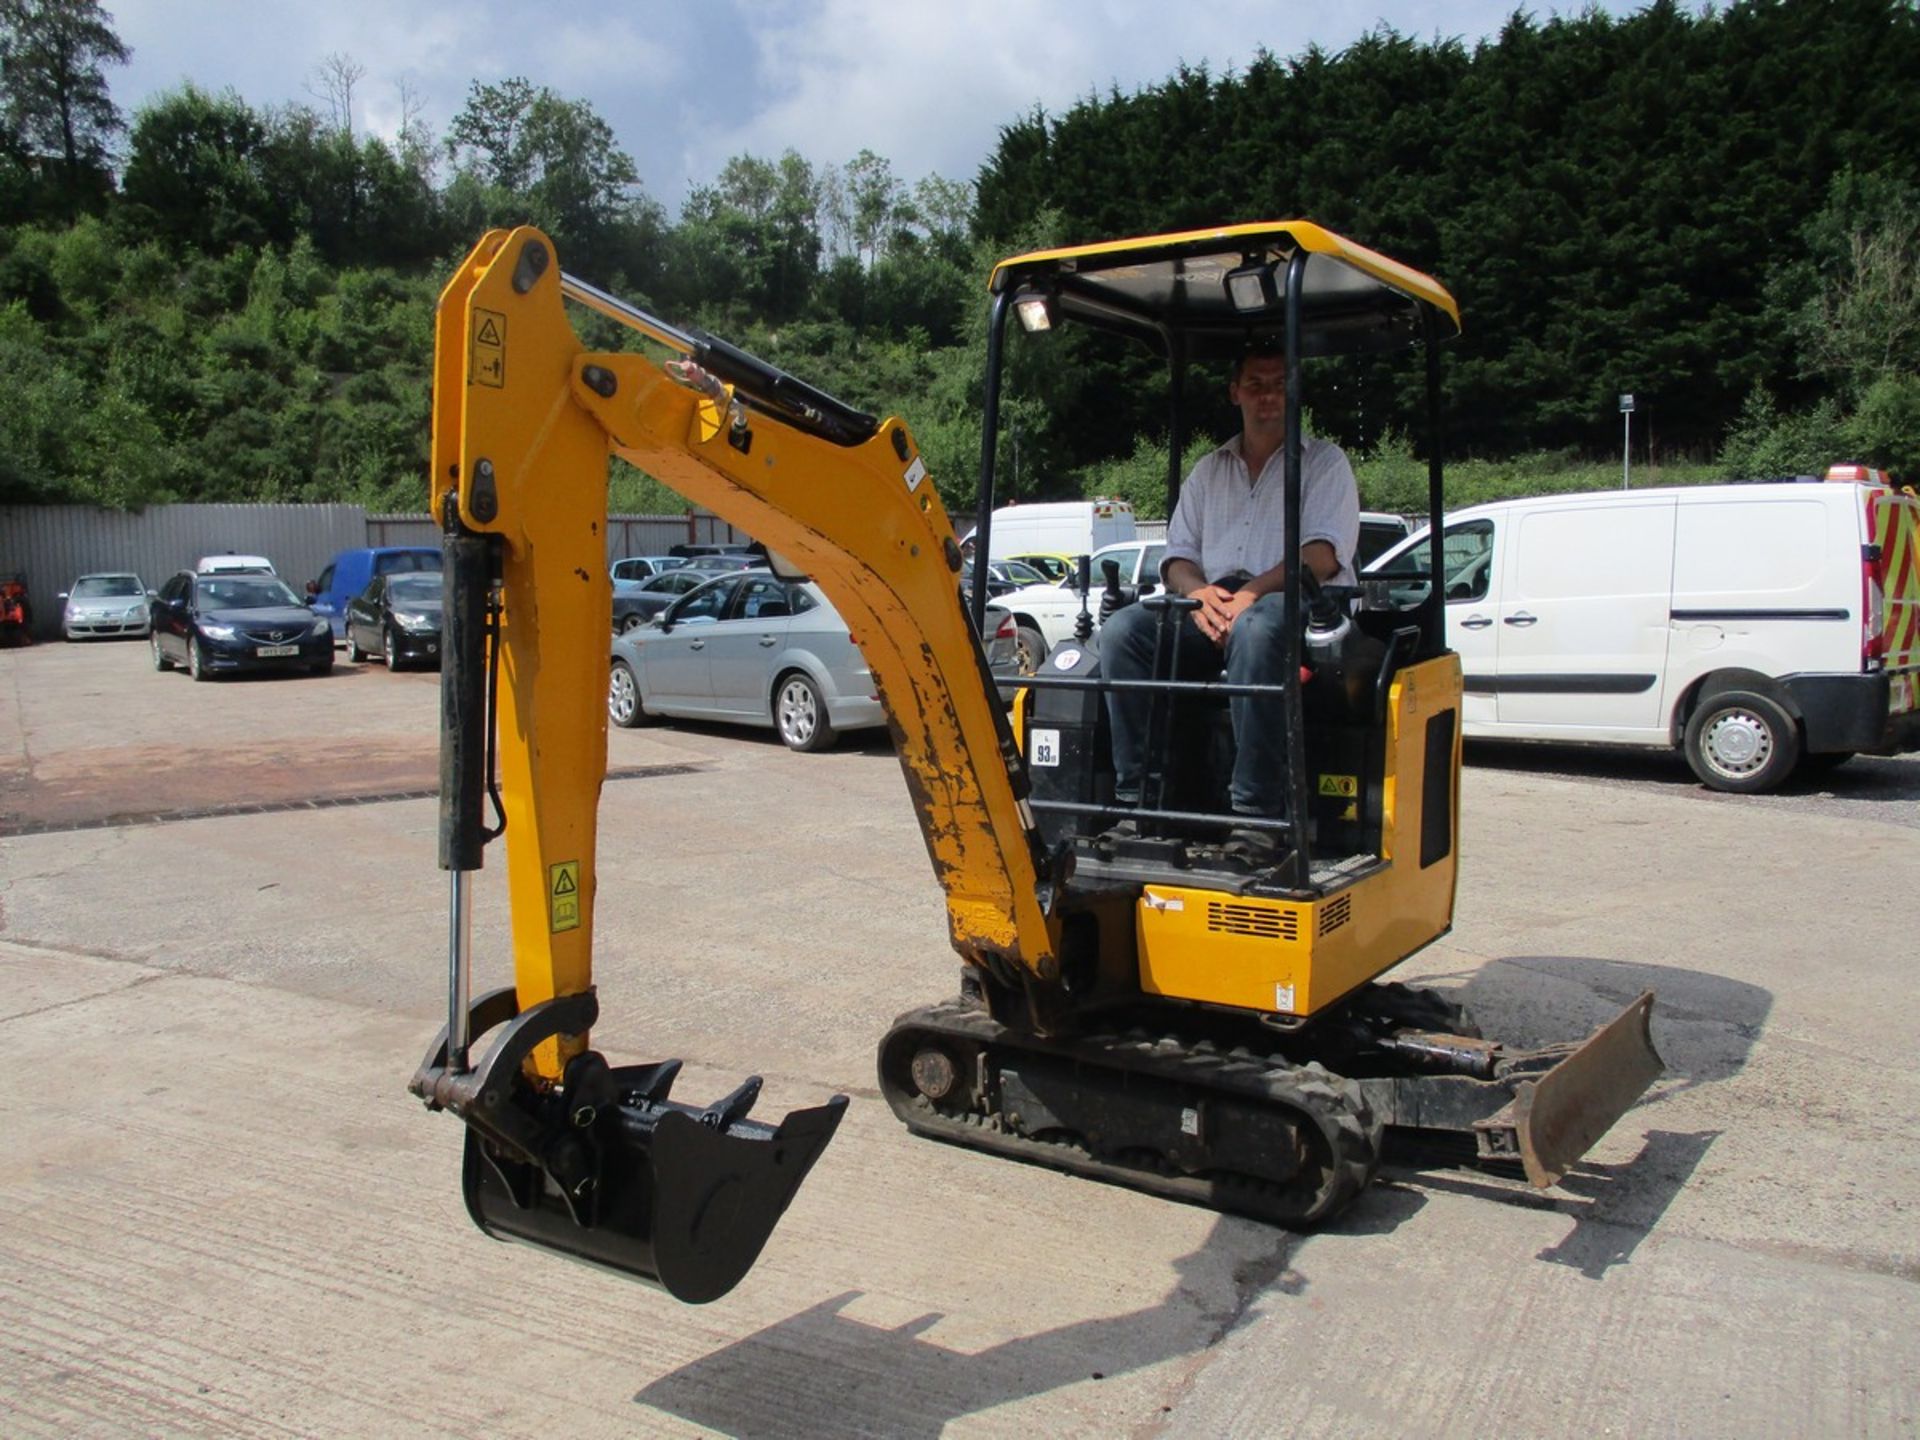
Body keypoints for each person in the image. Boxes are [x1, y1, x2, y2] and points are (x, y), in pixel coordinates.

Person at [1101, 338, 1360, 859]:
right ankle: (1143, 805)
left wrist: (1249, 594)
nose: (1267, 396)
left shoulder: (1326, 464)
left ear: (1294, 392)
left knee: (1259, 627)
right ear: (1234, 393)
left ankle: (1258, 818)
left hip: (1296, 607)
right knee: (1123, 633)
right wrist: (1200, 596)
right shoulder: (1207, 471)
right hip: (1211, 607)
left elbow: (1323, 555)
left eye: (1279, 385)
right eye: (1256, 385)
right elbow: (1177, 558)